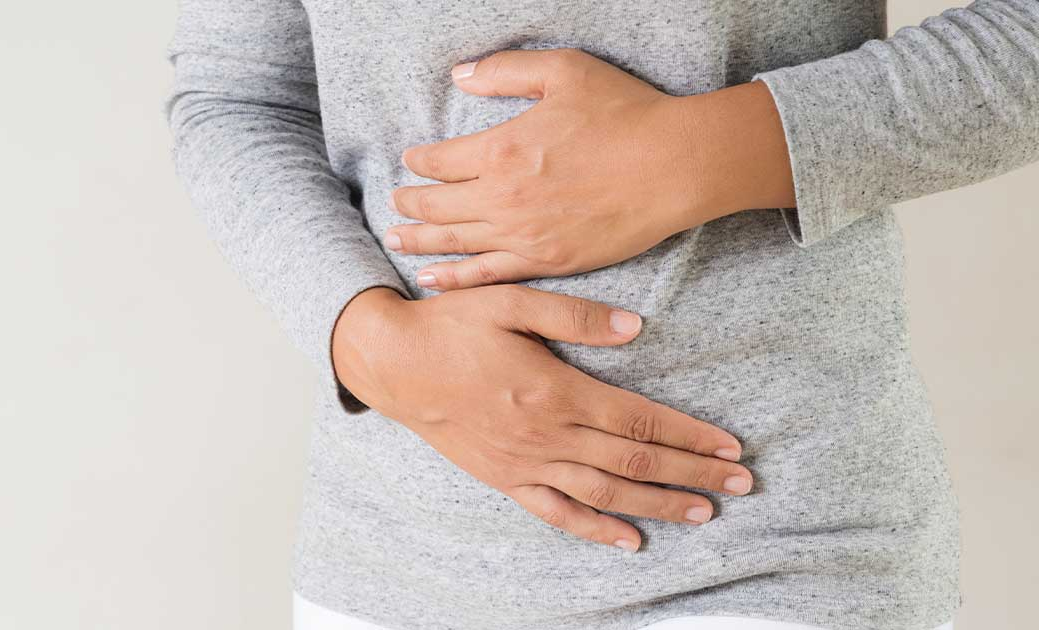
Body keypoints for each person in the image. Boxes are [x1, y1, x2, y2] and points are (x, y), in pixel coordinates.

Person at [164, 1, 1038, 628]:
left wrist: (697, 155)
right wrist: (369, 340)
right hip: (398, 556)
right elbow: (239, 95)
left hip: (779, 535)